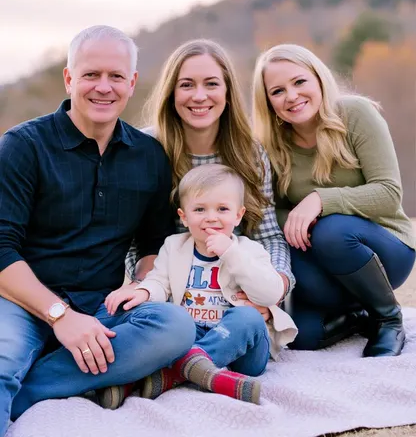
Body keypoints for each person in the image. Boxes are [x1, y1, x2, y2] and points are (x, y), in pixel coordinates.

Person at [0, 25, 195, 436]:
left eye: (115, 76)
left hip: (103, 307)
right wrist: (60, 317)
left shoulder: (148, 156)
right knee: (3, 359)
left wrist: (140, 286)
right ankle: (45, 373)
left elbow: (152, 246)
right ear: (70, 78)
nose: (103, 87)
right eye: (90, 75)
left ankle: (31, 387)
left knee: (174, 326)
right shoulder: (23, 146)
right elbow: (2, 250)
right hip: (23, 303)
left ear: (132, 83)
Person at [252, 43, 415, 356]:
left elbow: (389, 192)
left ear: (318, 79)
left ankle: (388, 317)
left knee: (333, 230)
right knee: (297, 334)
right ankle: (357, 315)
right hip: (325, 265)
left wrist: (319, 201)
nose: (292, 96)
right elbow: (272, 212)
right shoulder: (271, 145)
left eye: (299, 82)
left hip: (385, 250)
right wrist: (298, 218)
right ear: (268, 101)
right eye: (278, 90)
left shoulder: (355, 114)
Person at [104, 164, 297, 406]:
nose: (211, 217)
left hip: (241, 349)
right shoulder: (174, 246)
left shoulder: (250, 251)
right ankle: (194, 372)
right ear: (184, 217)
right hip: (190, 336)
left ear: (238, 215)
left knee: (247, 317)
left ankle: (165, 374)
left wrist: (231, 253)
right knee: (161, 328)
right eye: (199, 209)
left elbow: (270, 292)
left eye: (223, 209)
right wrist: (143, 290)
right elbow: (159, 282)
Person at [126, 39, 295, 299]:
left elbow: (269, 235)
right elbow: (125, 239)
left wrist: (275, 287)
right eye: (186, 85)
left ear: (227, 92)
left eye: (211, 84)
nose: (199, 96)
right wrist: (141, 283)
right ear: (171, 93)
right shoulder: (144, 148)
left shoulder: (249, 151)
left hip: (234, 284)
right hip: (165, 285)